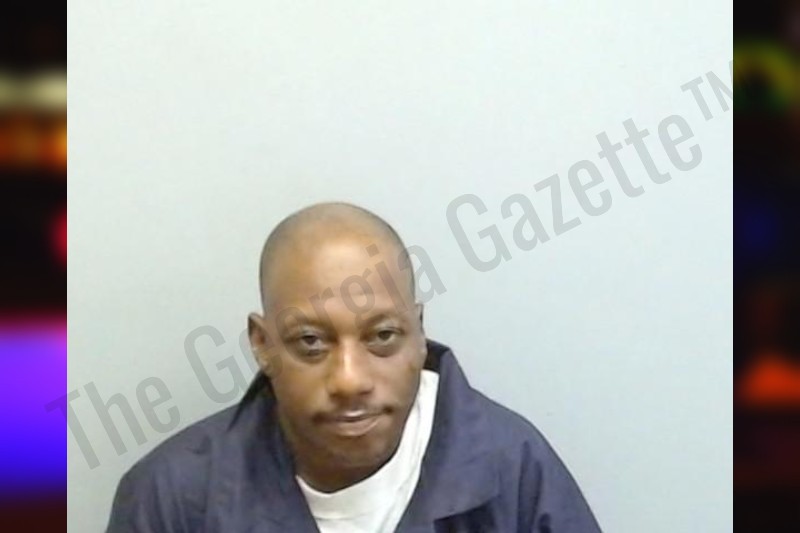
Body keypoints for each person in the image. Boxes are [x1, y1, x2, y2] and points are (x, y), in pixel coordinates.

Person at [106, 202, 601, 532]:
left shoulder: (514, 472)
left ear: (418, 333)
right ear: (262, 344)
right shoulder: (171, 498)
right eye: (311, 342)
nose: (350, 379)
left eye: (382, 337)